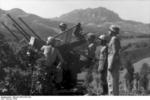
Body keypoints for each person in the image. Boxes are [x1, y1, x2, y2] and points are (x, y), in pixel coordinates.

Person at [107, 25, 121, 95]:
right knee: (113, 82)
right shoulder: (115, 39)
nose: (108, 32)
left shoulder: (114, 39)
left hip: (113, 63)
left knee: (112, 82)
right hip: (114, 62)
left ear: (112, 31)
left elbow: (115, 52)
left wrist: (110, 64)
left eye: (109, 30)